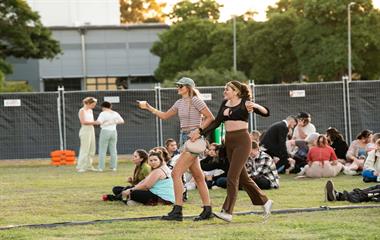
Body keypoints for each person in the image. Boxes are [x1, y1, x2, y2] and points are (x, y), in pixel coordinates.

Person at [192, 80, 273, 222]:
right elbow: (216, 122)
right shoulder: (224, 103)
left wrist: (255, 105)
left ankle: (227, 211)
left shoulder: (245, 102)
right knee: (243, 178)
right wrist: (201, 132)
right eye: (225, 88)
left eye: (227, 89)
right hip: (229, 142)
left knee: (232, 176)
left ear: (236, 91)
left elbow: (266, 113)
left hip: (242, 141)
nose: (225, 91)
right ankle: (265, 201)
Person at [138, 77, 215, 221]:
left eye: (180, 85)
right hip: (184, 139)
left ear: (188, 87)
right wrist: (148, 107)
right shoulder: (179, 103)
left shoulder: (196, 100)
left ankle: (178, 211)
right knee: (198, 176)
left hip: (194, 139)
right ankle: (207, 210)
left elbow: (210, 117)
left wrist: (198, 131)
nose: (178, 87)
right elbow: (165, 116)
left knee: (175, 173)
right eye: (177, 85)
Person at [96, 101, 124, 171]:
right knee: (113, 149)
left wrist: (106, 123)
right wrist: (113, 122)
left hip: (105, 131)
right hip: (114, 132)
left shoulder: (103, 113)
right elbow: (122, 121)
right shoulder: (115, 113)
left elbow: (99, 122)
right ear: (110, 106)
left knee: (102, 150)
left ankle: (101, 167)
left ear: (103, 107)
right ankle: (113, 167)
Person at [76, 97, 99, 173]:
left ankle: (89, 166)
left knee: (92, 149)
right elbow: (83, 122)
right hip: (85, 130)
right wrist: (95, 122)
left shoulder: (90, 110)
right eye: (93, 104)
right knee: (85, 149)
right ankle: (80, 167)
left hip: (91, 129)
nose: (94, 106)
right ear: (88, 103)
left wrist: (96, 122)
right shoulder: (82, 111)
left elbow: (91, 121)